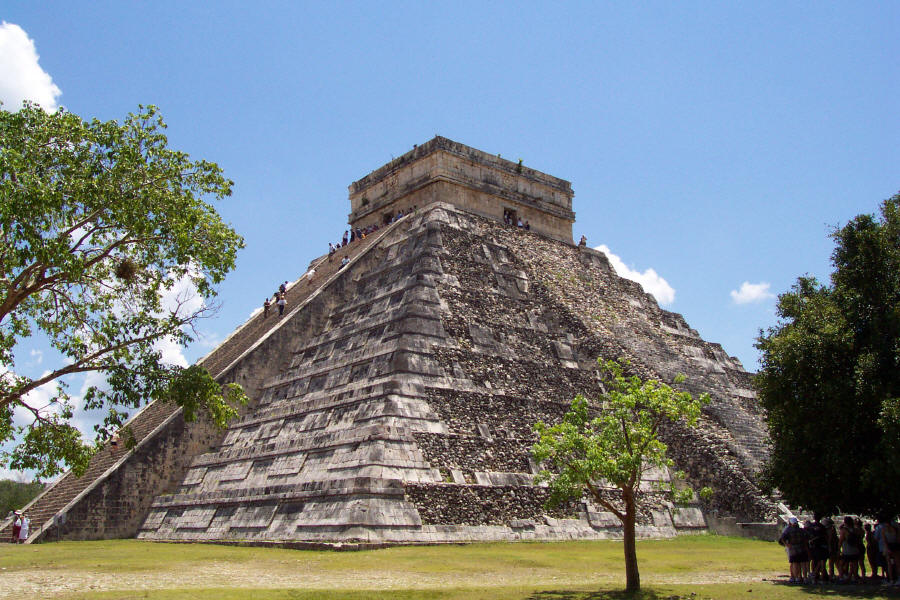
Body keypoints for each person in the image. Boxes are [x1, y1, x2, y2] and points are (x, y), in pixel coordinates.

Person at [779, 517, 809, 583]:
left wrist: (787, 545)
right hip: (801, 548)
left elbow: (782, 538)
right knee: (803, 563)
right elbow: (807, 537)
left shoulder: (788, 531)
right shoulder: (801, 530)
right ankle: (805, 578)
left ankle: (796, 578)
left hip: (793, 549)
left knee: (795, 563)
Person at [806, 513, 829, 583]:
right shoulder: (822, 527)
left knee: (814, 560)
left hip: (813, 545)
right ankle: (819, 575)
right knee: (821, 561)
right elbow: (825, 536)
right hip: (821, 545)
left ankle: (814, 574)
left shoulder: (811, 526)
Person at [839, 515, 861, 582]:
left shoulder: (844, 530)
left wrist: (838, 549)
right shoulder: (856, 530)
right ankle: (855, 577)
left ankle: (841, 577)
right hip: (855, 549)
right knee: (855, 564)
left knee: (841, 564)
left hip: (847, 550)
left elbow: (841, 541)